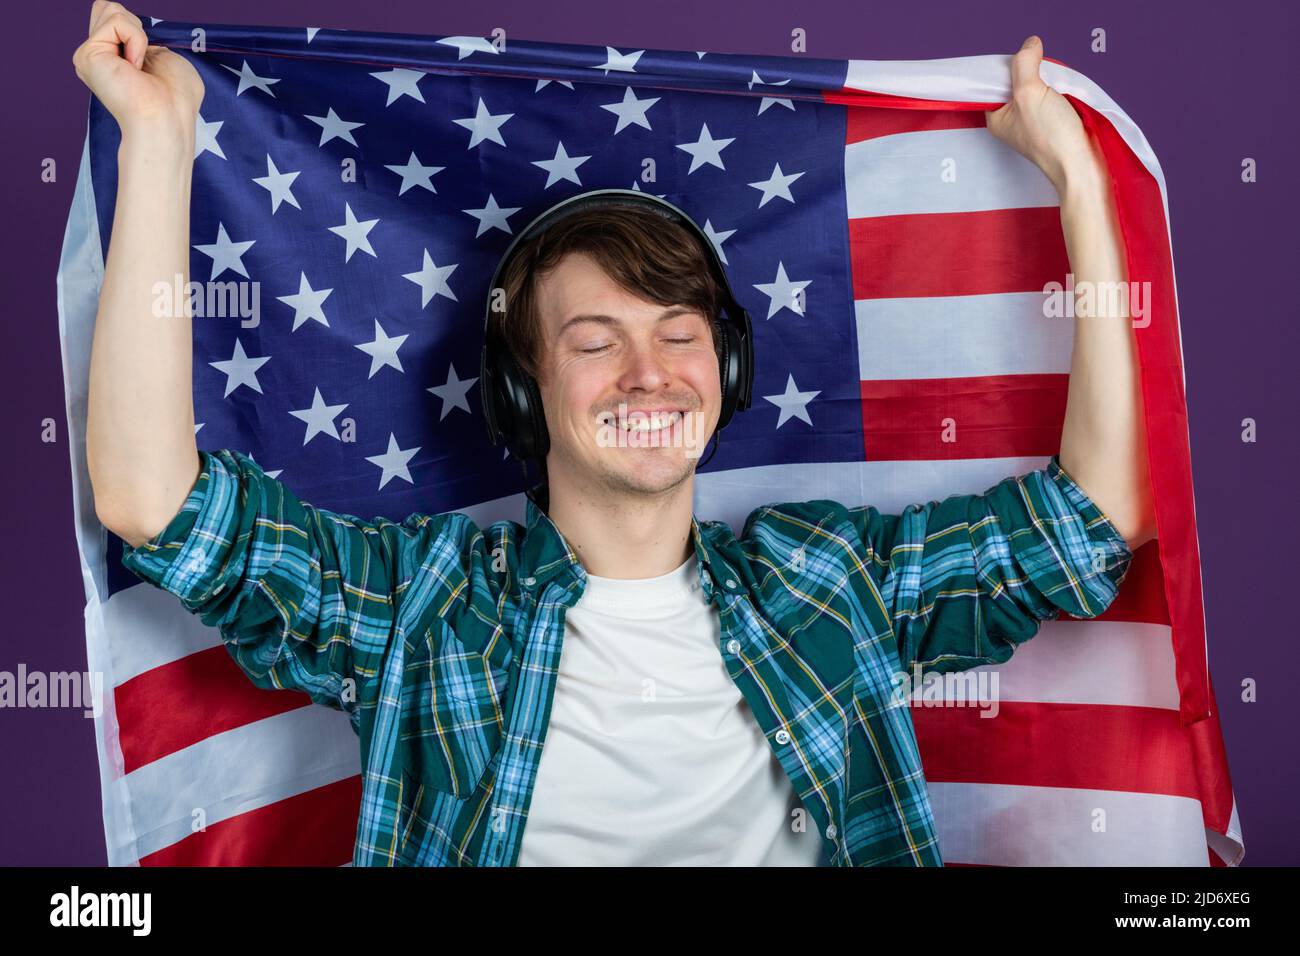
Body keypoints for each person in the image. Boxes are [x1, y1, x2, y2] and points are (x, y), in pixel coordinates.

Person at [74, 0, 1154, 866]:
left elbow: (1095, 520)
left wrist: (1079, 183)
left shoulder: (828, 581)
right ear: (523, 390)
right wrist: (161, 143)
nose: (650, 373)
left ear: (727, 373)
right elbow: (152, 503)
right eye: (594, 341)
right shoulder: (424, 605)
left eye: (680, 335)